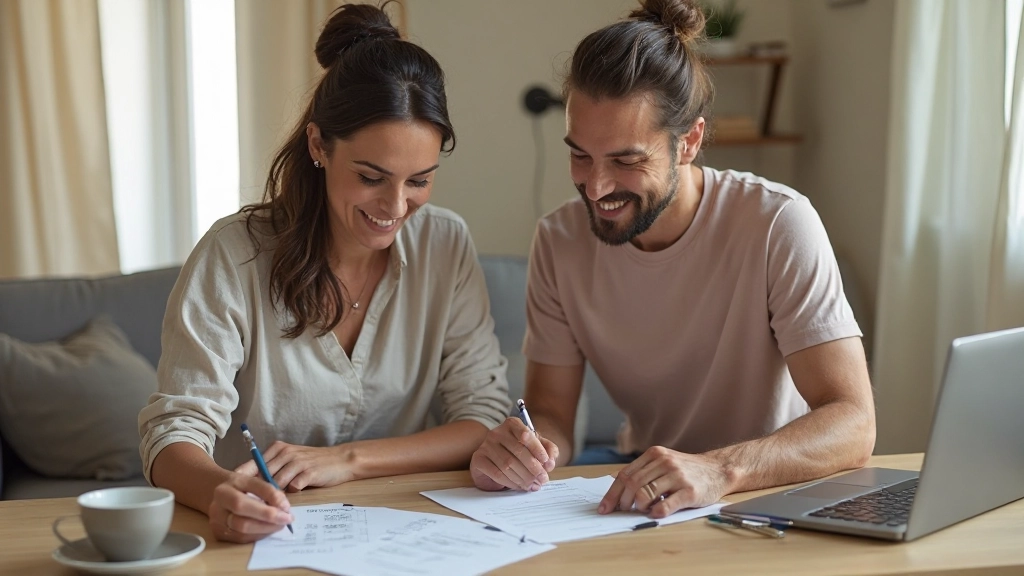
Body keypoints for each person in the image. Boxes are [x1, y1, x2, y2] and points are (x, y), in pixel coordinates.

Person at [469, 0, 875, 519]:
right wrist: (526, 452)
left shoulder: (778, 223)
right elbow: (551, 414)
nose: (596, 187)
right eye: (580, 155)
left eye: (626, 160)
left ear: (689, 142)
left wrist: (718, 470)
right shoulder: (558, 240)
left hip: (764, 492)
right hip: (647, 490)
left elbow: (853, 422)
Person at [139, 4, 510, 543]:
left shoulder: (445, 244)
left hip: (401, 533)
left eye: (419, 181)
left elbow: (482, 417)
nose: (396, 207)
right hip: (263, 534)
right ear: (318, 145)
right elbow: (173, 433)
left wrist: (349, 460)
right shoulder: (234, 255)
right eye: (371, 177)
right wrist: (219, 492)